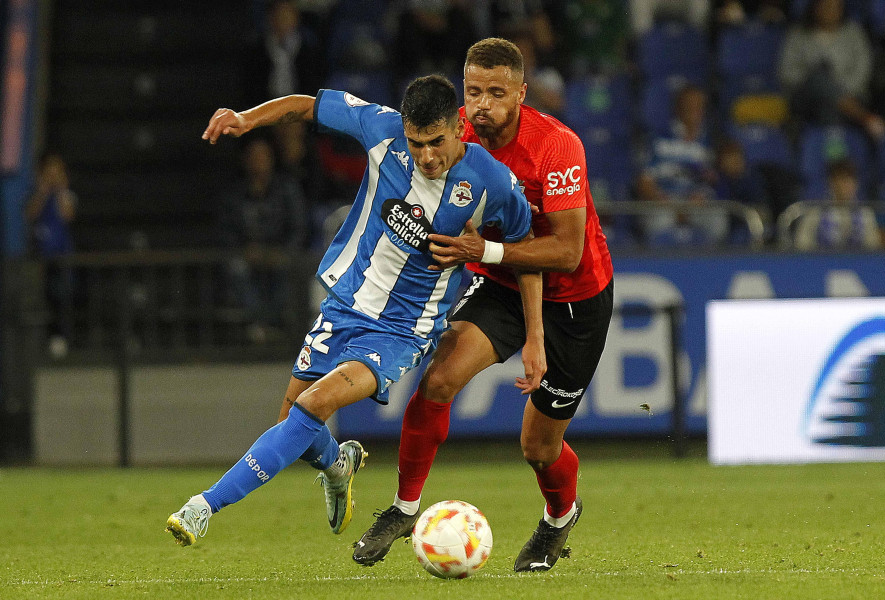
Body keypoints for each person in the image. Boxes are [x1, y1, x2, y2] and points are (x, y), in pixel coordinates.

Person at [165, 75, 542, 546]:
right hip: (344, 306)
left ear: (457, 128)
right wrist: (246, 118)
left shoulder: (492, 183)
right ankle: (337, 465)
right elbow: (306, 105)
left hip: (403, 331)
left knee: (313, 405)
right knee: (293, 425)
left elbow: (527, 250)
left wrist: (533, 335)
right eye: (416, 143)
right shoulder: (380, 128)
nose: (426, 156)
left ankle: (203, 506)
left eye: (436, 143)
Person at [353, 38, 614, 573]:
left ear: (522, 93)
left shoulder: (557, 147)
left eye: (497, 93)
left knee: (538, 447)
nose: (483, 105)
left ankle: (560, 518)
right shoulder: (455, 137)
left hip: (575, 300)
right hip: (500, 284)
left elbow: (565, 251)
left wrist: (485, 251)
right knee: (439, 380)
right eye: (474, 92)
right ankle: (404, 508)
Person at [220, 135, 308, 343]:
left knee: (287, 269)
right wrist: (244, 249)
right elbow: (226, 230)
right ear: (245, 160)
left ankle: (273, 324)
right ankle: (259, 323)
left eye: (263, 156)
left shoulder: (286, 189)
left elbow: (299, 227)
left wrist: (281, 252)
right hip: (247, 253)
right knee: (236, 268)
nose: (258, 161)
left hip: (280, 253)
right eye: (254, 156)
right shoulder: (235, 193)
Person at [778, 0, 885, 140]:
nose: (831, 11)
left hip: (851, 95)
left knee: (829, 108)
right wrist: (815, 82)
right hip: (805, 97)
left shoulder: (853, 32)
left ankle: (835, 156)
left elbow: (863, 70)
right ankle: (865, 117)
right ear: (815, 8)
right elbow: (787, 72)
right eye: (826, 6)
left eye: (836, 7)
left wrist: (835, 90)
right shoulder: (798, 33)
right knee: (818, 78)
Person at [634, 85, 729, 246]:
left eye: (699, 106)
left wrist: (698, 199)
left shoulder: (711, 141)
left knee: (718, 221)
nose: (695, 110)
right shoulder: (658, 138)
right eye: (690, 105)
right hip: (663, 201)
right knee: (659, 222)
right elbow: (644, 181)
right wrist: (667, 203)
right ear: (678, 108)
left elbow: (714, 181)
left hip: (696, 202)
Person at [26, 152, 78, 357]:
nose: (53, 176)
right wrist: (43, 191)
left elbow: (68, 215)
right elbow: (30, 214)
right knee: (40, 298)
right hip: (41, 256)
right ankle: (39, 341)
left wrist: (60, 190)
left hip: (62, 255)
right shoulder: (37, 195)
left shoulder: (67, 195)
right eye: (49, 172)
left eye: (57, 173)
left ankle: (61, 338)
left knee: (62, 297)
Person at [794, 158, 882, 250]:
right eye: (843, 180)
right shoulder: (816, 212)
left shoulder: (865, 213)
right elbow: (802, 246)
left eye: (851, 180)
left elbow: (873, 247)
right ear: (832, 182)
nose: (847, 185)